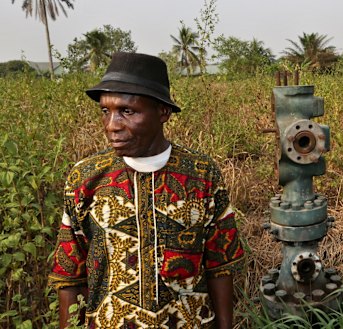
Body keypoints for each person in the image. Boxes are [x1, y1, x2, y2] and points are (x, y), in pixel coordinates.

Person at [48, 52, 244, 329]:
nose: (112, 125)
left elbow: (220, 264)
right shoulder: (87, 177)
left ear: (163, 112)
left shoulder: (201, 174)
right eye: (106, 111)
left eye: (128, 111)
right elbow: (70, 273)